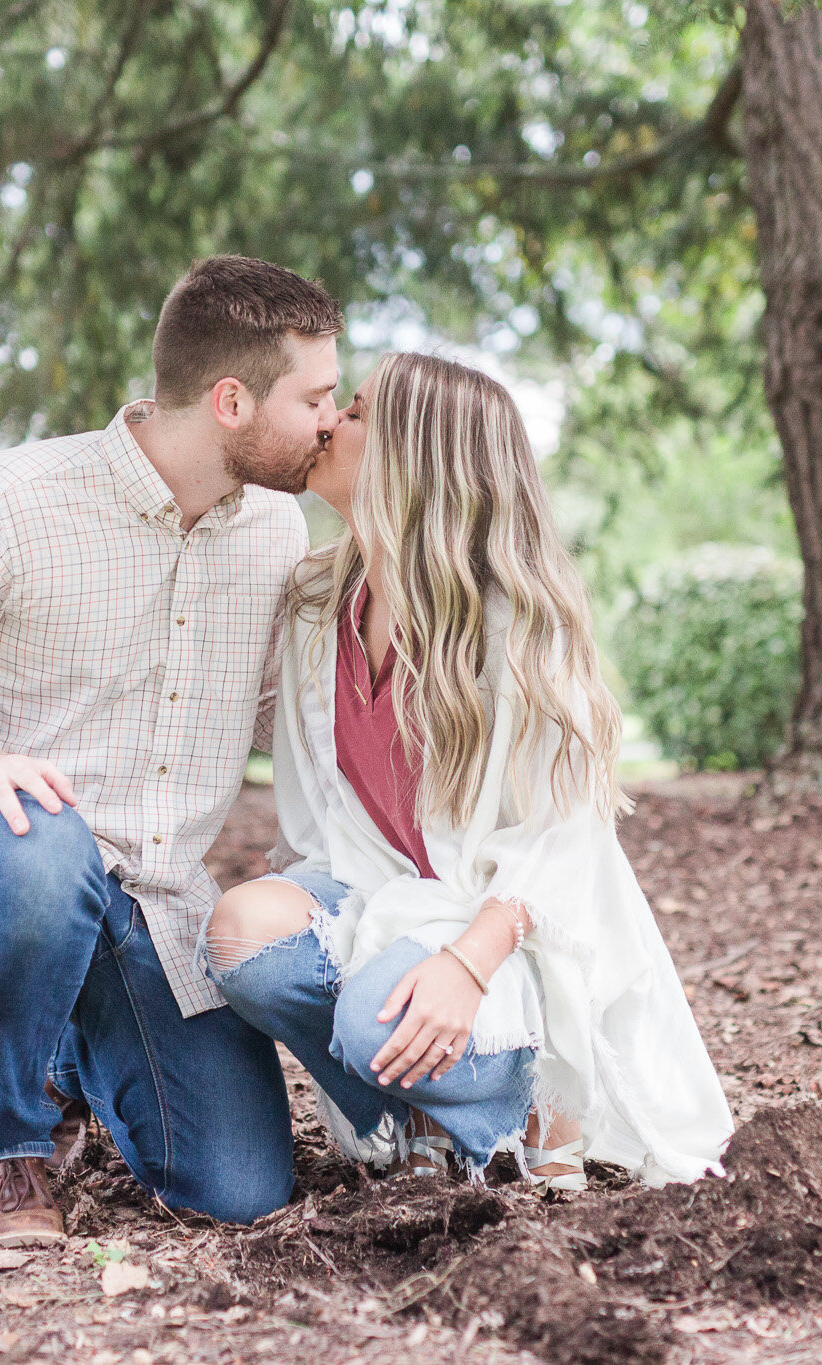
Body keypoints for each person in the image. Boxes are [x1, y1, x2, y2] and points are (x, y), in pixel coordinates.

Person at [0, 256, 344, 1246]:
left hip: (152, 897)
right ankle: (6, 1151)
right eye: (314, 397)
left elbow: (290, 720)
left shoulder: (276, 527)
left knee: (238, 1190)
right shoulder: (6, 500)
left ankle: (69, 1056)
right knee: (38, 837)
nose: (330, 420)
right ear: (230, 399)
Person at [202, 352, 733, 1190]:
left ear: (419, 456)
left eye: (362, 411)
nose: (331, 420)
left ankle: (530, 1104)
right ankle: (410, 1111)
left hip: (507, 923)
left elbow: (566, 834)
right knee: (241, 932)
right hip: (378, 891)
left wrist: (467, 960)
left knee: (376, 1020)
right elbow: (323, 828)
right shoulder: (315, 601)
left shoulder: (517, 619)